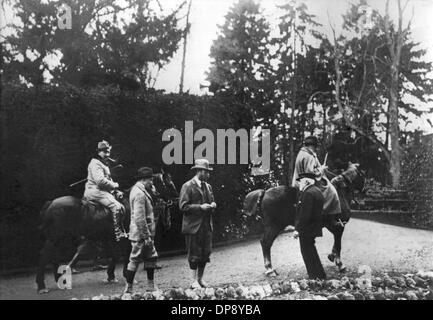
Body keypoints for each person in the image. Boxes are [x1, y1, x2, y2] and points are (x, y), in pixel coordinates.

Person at [179, 159, 217, 289]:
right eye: (206, 172)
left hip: (206, 225)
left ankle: (200, 279)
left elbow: (212, 201)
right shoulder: (187, 186)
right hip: (193, 226)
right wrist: (200, 207)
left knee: (205, 253)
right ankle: (192, 281)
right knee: (194, 254)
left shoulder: (208, 186)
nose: (208, 175)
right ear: (199, 171)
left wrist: (212, 205)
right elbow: (183, 206)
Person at [124, 167, 159, 294]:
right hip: (141, 234)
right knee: (135, 258)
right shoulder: (139, 193)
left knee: (151, 257)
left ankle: (150, 286)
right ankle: (128, 289)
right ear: (144, 179)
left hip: (143, 233)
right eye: (151, 179)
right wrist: (146, 236)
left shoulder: (141, 190)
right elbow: (139, 218)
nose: (152, 182)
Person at [83, 140, 126, 242]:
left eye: (108, 152)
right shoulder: (96, 163)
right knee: (117, 206)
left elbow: (107, 179)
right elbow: (100, 181)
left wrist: (115, 191)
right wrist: (115, 185)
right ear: (99, 152)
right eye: (104, 152)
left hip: (102, 191)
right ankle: (118, 233)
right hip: (95, 191)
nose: (107, 154)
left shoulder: (102, 163)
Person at [292, 135, 341, 216]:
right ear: (312, 146)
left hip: (298, 182)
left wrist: (320, 168)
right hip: (307, 183)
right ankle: (327, 214)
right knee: (332, 191)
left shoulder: (301, 153)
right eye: (316, 146)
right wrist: (322, 169)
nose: (317, 149)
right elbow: (311, 173)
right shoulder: (309, 156)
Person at [293, 173, 327, 280]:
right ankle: (320, 275)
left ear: (307, 181)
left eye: (301, 180)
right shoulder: (317, 191)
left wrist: (297, 229)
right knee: (312, 251)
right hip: (313, 228)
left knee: (307, 252)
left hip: (306, 229)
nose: (299, 183)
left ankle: (313, 276)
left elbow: (305, 215)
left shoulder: (308, 193)